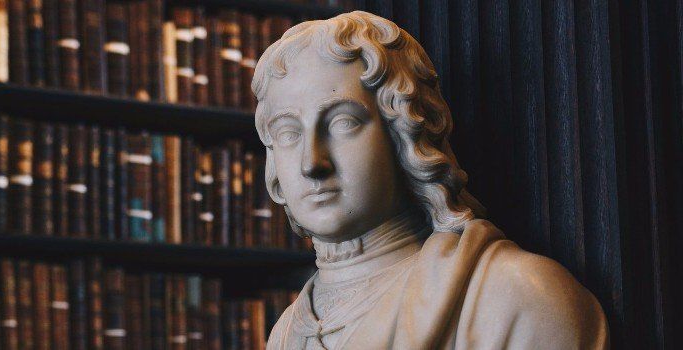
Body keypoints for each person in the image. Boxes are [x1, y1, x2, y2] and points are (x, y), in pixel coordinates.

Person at [252, 11, 608, 349]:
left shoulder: (513, 299)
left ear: (405, 133)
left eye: (344, 123)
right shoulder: (287, 331)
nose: (311, 163)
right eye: (287, 133)